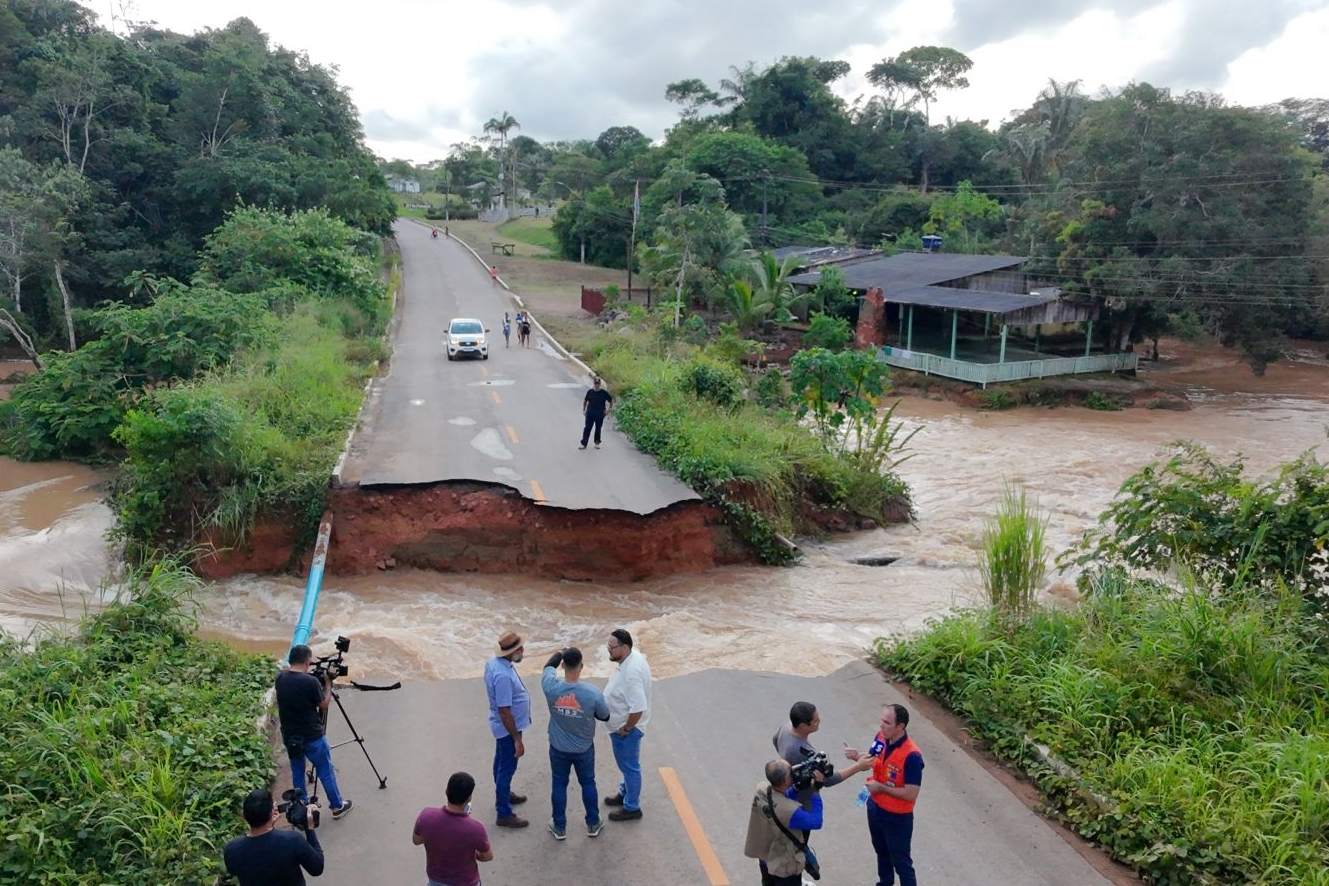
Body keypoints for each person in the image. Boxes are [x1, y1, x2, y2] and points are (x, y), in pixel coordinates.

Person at [845, 703, 924, 886]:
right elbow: (874, 760)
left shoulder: (912, 756)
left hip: (897, 818)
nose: (881, 726)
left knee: (902, 862)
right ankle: (885, 882)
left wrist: (881, 788)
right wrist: (857, 756)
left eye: (887, 723)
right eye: (881, 721)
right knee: (881, 851)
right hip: (875, 808)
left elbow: (911, 793)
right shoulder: (881, 737)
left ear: (901, 726)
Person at [275, 645, 352, 820]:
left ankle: (301, 806)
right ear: (307, 661)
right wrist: (328, 683)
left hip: (290, 737)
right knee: (325, 769)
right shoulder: (310, 682)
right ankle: (337, 806)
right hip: (312, 736)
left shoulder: (280, 678)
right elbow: (323, 704)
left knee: (297, 770)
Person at [540, 647, 610, 840]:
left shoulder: (551, 686)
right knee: (588, 783)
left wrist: (559, 654)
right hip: (584, 748)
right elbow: (605, 715)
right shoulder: (592, 693)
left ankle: (559, 826)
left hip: (558, 747)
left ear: (563, 665)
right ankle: (593, 823)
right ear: (582, 666)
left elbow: (547, 667)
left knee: (559, 784)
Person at [774, 701, 873, 807]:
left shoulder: (787, 727)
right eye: (815, 721)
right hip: (801, 800)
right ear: (803, 725)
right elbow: (829, 780)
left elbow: (775, 739)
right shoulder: (802, 752)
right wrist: (858, 766)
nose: (819, 721)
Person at [743, 759, 822, 886]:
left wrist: (795, 789)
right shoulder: (790, 811)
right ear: (785, 781)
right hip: (783, 867)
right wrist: (816, 791)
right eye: (791, 772)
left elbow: (778, 800)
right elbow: (816, 821)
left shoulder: (761, 789)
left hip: (765, 856)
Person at [223, 788, 324, 886]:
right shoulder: (292, 840)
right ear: (272, 812)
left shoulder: (231, 849)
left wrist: (269, 826)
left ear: (243, 815)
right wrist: (309, 828)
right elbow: (317, 868)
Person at [602, 628, 650, 821]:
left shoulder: (631, 674)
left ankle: (632, 807)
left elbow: (637, 707)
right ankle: (624, 793)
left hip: (626, 730)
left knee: (630, 767)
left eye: (611, 648)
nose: (609, 651)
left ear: (624, 647)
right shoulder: (634, 657)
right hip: (623, 726)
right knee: (627, 766)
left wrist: (627, 728)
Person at [484, 631, 531, 828]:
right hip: (507, 727)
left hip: (501, 725)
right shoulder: (503, 676)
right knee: (507, 768)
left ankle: (504, 794)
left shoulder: (493, 663)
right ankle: (503, 812)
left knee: (500, 760)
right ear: (513, 651)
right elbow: (505, 710)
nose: (523, 650)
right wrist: (517, 739)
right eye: (520, 648)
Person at [413, 772, 493, 886]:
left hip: (436, 880)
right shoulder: (476, 828)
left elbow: (416, 841)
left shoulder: (426, 816)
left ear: (446, 791)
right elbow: (487, 856)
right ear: (469, 798)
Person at [579, 377, 613, 450]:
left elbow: (610, 400)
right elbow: (585, 401)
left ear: (600, 384)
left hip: (600, 413)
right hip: (590, 413)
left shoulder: (603, 393)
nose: (596, 385)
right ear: (594, 384)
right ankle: (584, 444)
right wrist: (584, 410)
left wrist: (609, 410)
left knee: (598, 428)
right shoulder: (590, 392)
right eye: (595, 383)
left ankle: (597, 443)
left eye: (598, 384)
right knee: (587, 428)